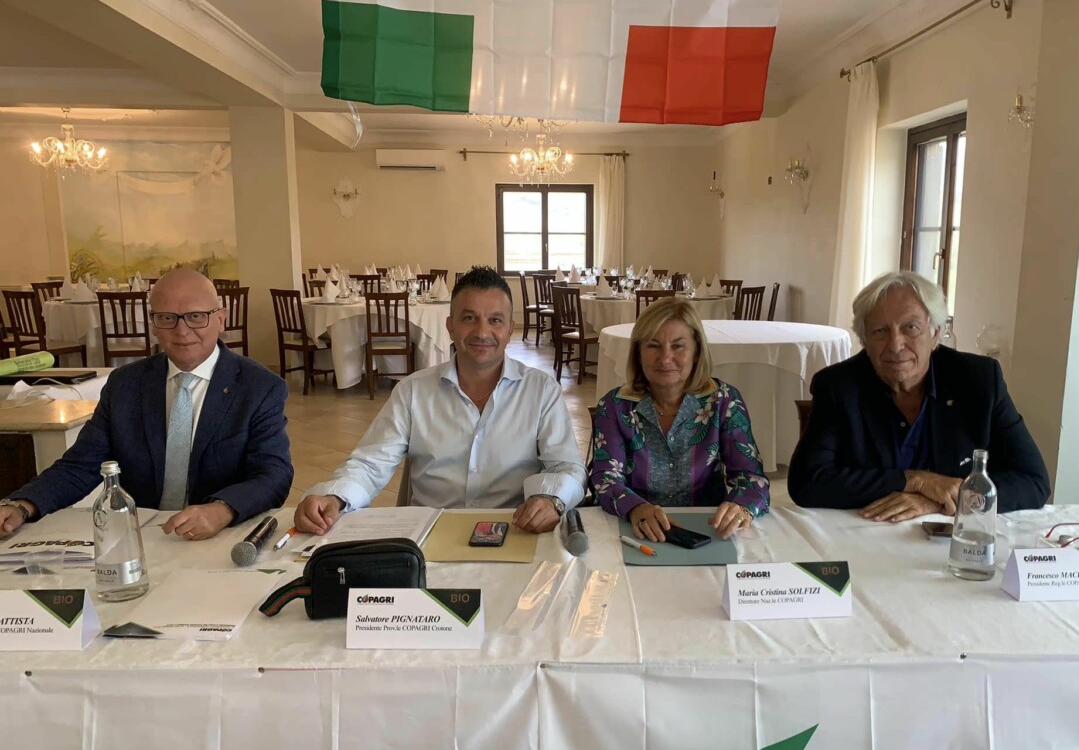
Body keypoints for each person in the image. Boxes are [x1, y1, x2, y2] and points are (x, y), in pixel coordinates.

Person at [0, 269, 293, 540]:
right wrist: (22, 505)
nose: (182, 330)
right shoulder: (125, 384)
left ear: (221, 319)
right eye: (167, 318)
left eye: (196, 316)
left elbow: (273, 474)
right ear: (153, 324)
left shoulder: (259, 387)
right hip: (145, 536)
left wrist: (223, 509)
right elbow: (81, 465)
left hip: (223, 537)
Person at [294, 266, 586, 535]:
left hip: (513, 533)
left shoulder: (541, 391)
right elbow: (370, 464)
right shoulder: (413, 391)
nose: (482, 332)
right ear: (450, 326)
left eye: (495, 320)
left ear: (510, 329)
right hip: (429, 536)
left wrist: (551, 499)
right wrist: (335, 496)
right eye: (469, 318)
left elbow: (567, 467)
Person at [788, 270, 1049, 521]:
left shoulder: (979, 380)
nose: (895, 344)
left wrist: (939, 501)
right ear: (864, 339)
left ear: (935, 334)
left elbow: (1033, 481)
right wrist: (915, 481)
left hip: (950, 537)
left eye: (910, 327)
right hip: (865, 531)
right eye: (879, 331)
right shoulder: (838, 386)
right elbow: (807, 482)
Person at [590, 298, 769, 540]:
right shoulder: (614, 405)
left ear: (696, 352)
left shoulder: (724, 401)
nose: (665, 358)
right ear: (638, 353)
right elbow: (605, 479)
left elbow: (751, 477)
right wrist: (635, 507)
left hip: (708, 530)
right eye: (653, 346)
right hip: (635, 531)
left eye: (678, 346)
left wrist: (741, 506)